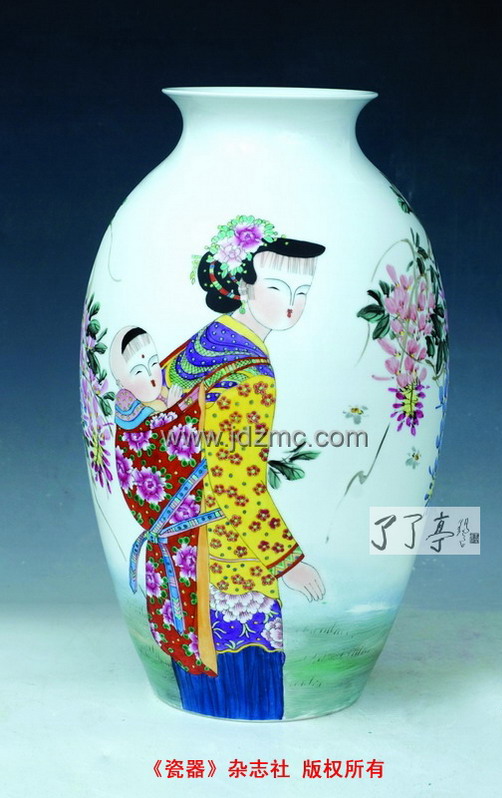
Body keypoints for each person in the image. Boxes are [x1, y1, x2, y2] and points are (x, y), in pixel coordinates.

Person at [113, 216, 326, 719]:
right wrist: (289, 562)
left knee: (203, 695)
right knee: (243, 688)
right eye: (277, 287)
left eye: (303, 291)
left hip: (180, 555)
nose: (292, 303)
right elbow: (237, 486)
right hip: (227, 560)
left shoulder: (206, 343)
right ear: (243, 286)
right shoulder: (248, 373)